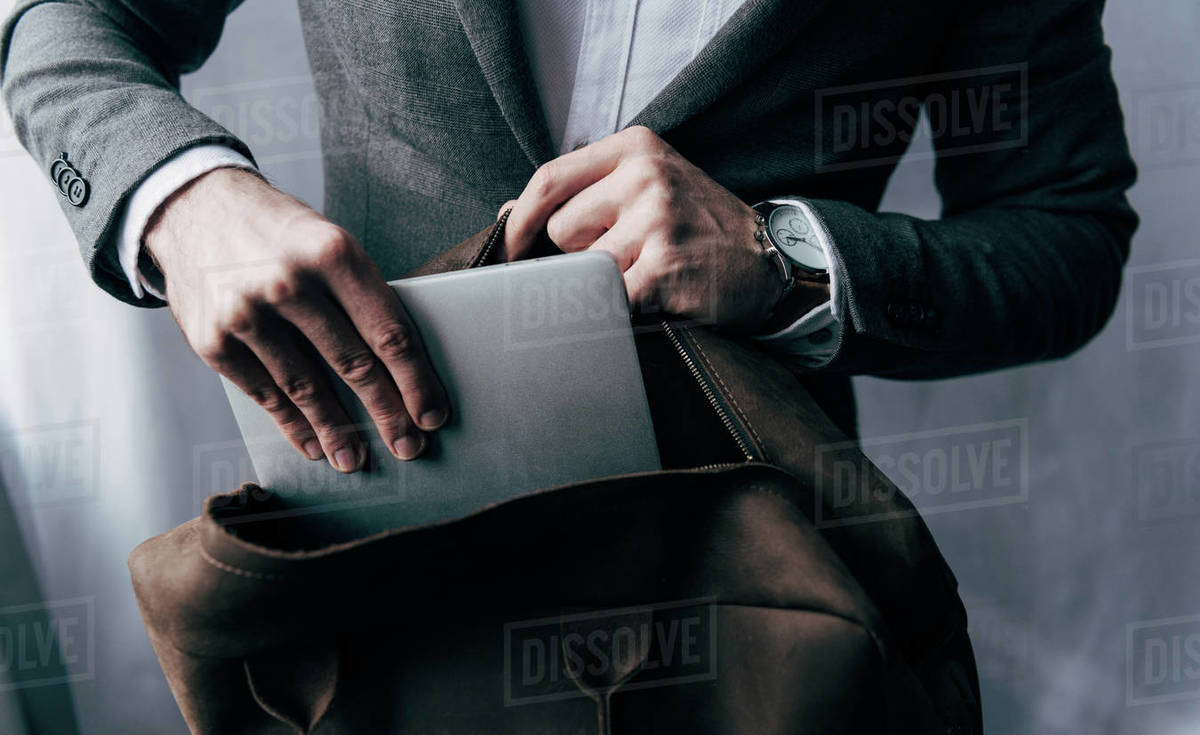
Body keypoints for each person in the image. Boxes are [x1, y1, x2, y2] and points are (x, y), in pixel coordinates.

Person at [1, 0, 1136, 463]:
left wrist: (785, 261)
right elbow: (71, 21)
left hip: (766, 611)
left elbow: (1066, 231)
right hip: (386, 555)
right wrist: (181, 197)